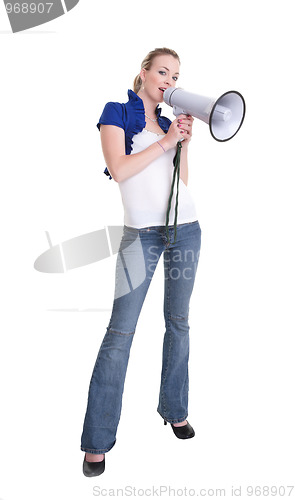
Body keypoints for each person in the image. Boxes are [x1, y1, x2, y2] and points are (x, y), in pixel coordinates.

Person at [81, 47, 202, 477]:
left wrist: (182, 144)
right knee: (120, 331)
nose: (169, 80)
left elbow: (180, 182)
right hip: (141, 238)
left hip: (185, 229)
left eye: (176, 75)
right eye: (163, 72)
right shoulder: (116, 111)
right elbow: (118, 167)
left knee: (179, 322)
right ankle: (97, 439)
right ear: (145, 74)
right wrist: (167, 142)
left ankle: (175, 409)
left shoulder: (170, 123)